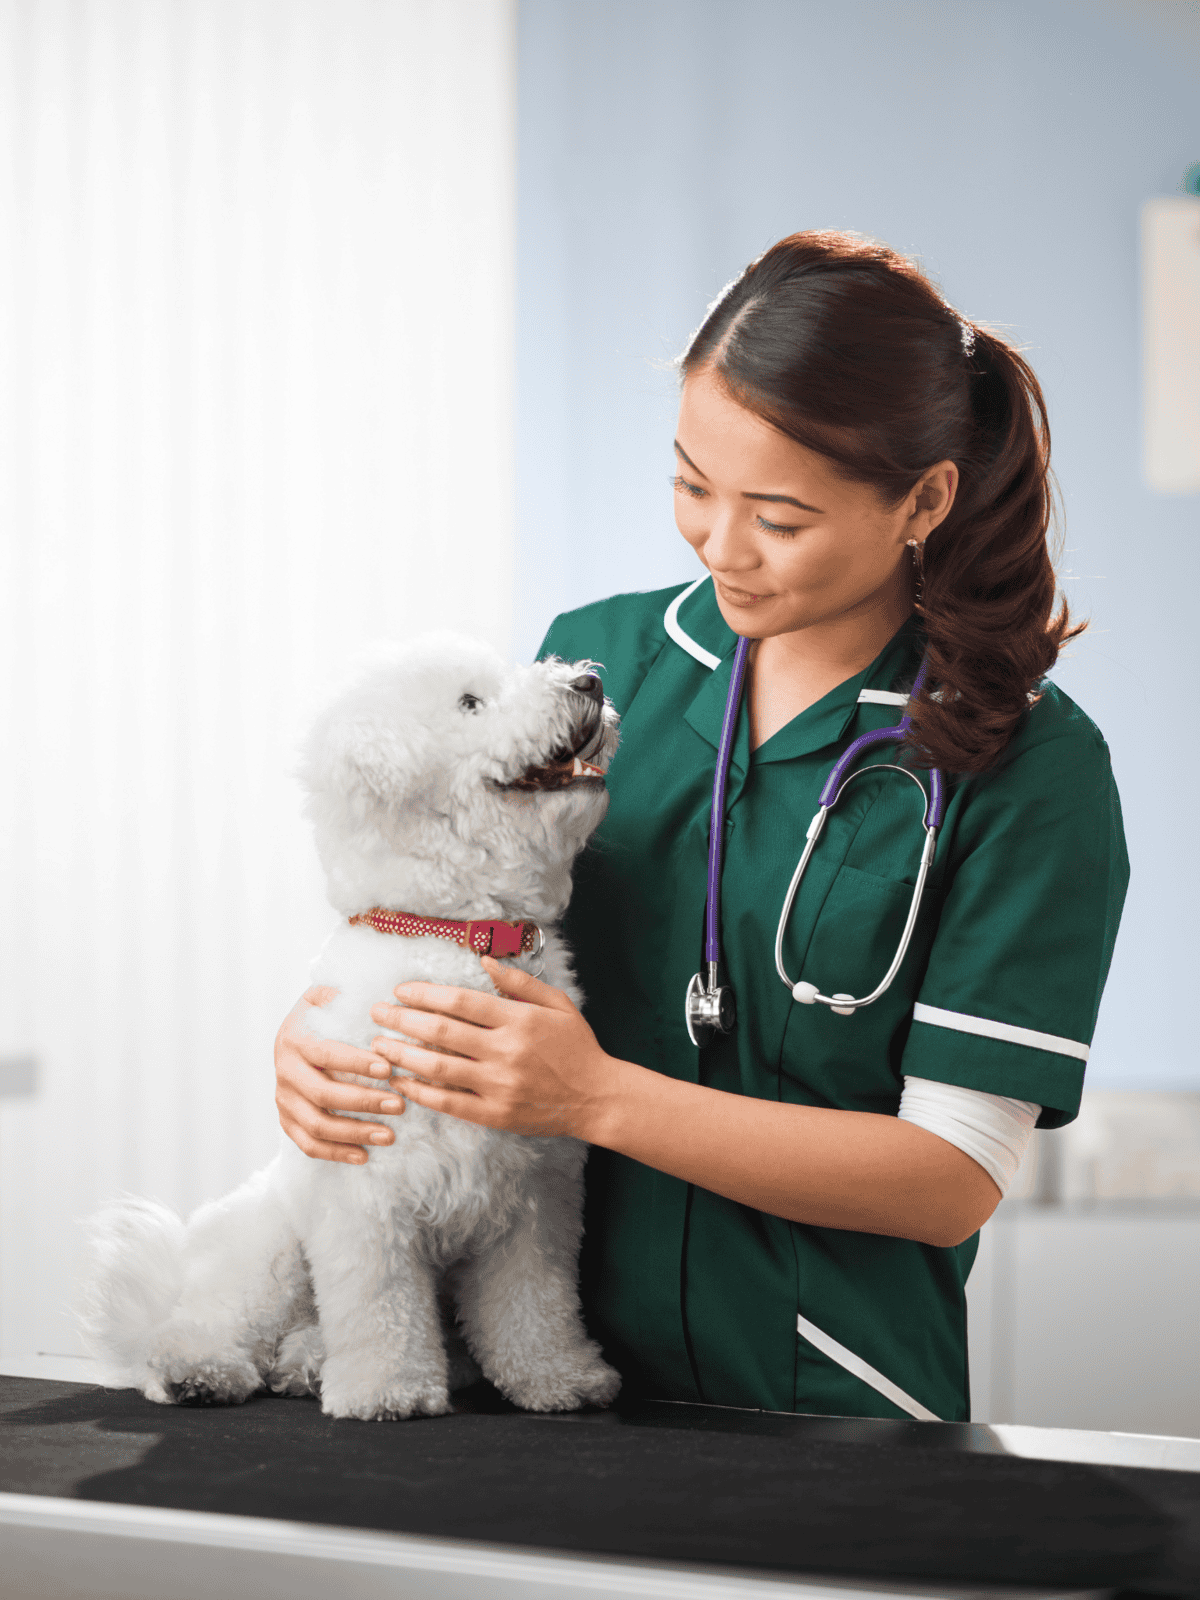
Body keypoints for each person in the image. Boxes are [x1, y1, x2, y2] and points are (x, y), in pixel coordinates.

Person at [273, 231, 1128, 1422]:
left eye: (779, 516)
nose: (722, 545)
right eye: (691, 485)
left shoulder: (1028, 764)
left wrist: (596, 1099)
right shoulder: (601, 666)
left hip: (826, 1400)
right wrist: (325, 1039)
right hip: (532, 1389)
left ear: (923, 499)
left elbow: (949, 1179)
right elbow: (438, 899)